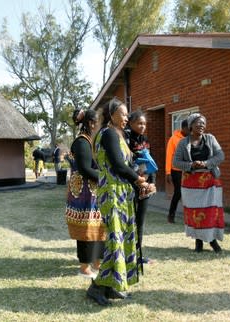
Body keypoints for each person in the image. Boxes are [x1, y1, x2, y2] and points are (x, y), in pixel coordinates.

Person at [86, 97, 148, 306]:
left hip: (121, 192)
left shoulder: (118, 134)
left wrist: (139, 175)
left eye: (127, 114)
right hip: (112, 193)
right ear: (112, 115)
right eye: (123, 113)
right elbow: (118, 166)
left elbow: (124, 165)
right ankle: (96, 288)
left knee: (120, 240)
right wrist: (139, 180)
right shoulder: (109, 133)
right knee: (115, 242)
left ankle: (111, 286)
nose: (126, 117)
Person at [173, 113, 225, 253]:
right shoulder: (183, 143)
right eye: (198, 123)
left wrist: (206, 163)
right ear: (190, 125)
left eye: (203, 123)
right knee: (195, 212)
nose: (201, 125)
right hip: (191, 183)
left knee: (211, 211)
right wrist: (191, 165)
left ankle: (212, 240)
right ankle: (199, 241)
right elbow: (176, 162)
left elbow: (220, 156)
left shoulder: (210, 138)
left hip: (210, 180)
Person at [65, 109, 105, 278]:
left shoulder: (92, 141)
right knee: (86, 230)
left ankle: (97, 262)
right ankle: (84, 267)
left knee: (99, 228)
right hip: (83, 194)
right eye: (100, 123)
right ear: (91, 123)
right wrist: (106, 177)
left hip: (94, 193)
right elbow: (85, 169)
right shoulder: (82, 142)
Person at [125, 110, 157, 266]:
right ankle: (125, 254)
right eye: (139, 123)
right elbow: (125, 163)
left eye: (144, 123)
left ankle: (138, 255)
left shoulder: (145, 140)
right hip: (131, 184)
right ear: (130, 123)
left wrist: (151, 181)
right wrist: (137, 179)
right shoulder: (125, 139)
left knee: (140, 221)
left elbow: (150, 162)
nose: (143, 126)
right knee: (128, 221)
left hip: (145, 186)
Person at [165, 119, 189, 223]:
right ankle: (171, 215)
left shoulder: (190, 139)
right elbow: (169, 155)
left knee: (188, 193)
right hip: (176, 171)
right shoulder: (173, 139)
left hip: (188, 170)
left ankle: (189, 218)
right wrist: (168, 172)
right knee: (178, 193)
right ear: (184, 128)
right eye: (189, 128)